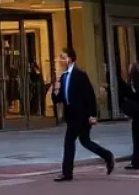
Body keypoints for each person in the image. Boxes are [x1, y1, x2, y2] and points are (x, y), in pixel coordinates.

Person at [52, 48, 114, 183]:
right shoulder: (63, 77)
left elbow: (90, 96)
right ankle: (107, 155)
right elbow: (59, 99)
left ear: (70, 59)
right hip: (71, 116)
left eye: (63, 57)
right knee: (85, 141)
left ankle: (67, 173)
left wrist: (92, 115)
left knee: (69, 142)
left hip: (82, 115)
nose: (61, 60)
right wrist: (55, 89)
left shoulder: (80, 75)